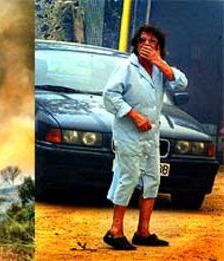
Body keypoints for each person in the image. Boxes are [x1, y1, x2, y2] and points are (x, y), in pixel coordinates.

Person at [102, 24, 188, 250]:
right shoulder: (126, 68)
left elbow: (181, 82)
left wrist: (160, 62)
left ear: (159, 48)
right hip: (128, 133)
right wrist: (133, 115)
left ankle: (143, 231)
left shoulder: (160, 69)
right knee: (128, 177)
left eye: (152, 42)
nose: (146, 45)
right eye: (142, 41)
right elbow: (109, 96)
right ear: (136, 44)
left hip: (151, 134)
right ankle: (115, 230)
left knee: (152, 179)